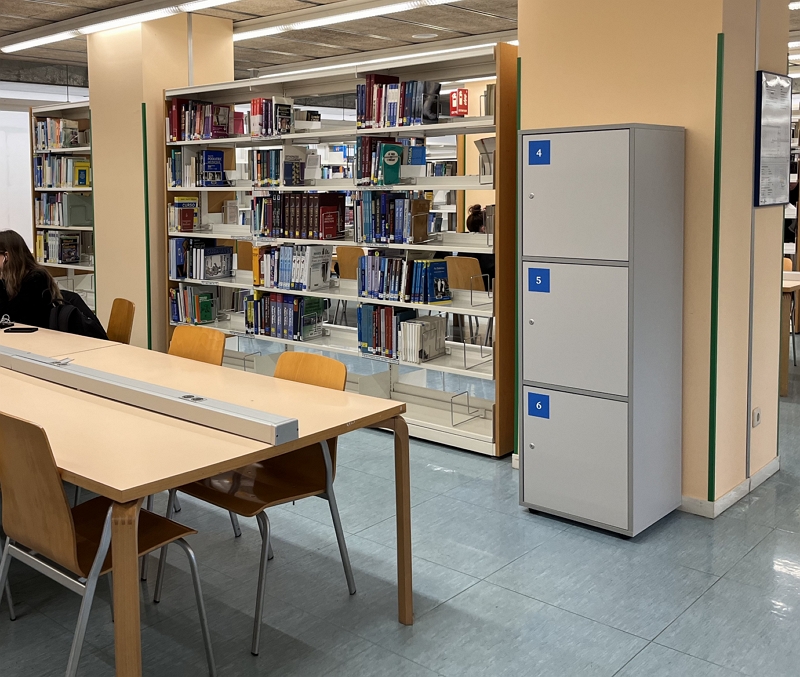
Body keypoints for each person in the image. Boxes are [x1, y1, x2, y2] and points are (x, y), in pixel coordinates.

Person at [0, 230, 63, 328]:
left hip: (38, 333)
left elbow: (12, 315)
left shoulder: (36, 278)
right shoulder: (11, 278)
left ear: (6, 256)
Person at [461, 204, 495, 283]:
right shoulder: (486, 246)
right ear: (483, 228)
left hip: (463, 285)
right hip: (484, 285)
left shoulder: (463, 242)